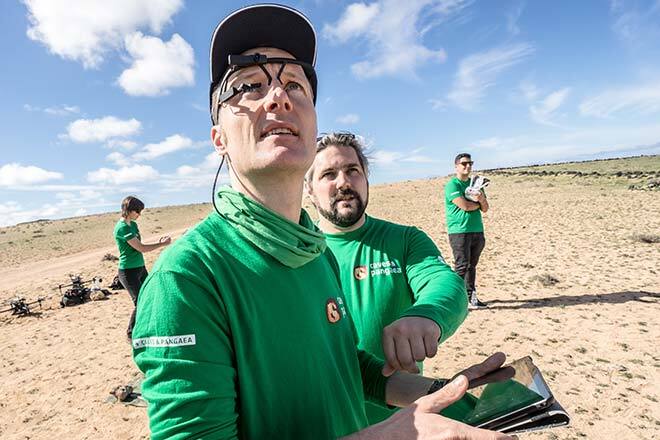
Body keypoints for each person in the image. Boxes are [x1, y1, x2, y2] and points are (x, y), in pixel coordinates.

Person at [132, 5, 515, 439]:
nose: (278, 95)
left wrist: (447, 394)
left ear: (312, 128)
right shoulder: (187, 278)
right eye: (250, 85)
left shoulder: (314, 251)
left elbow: (347, 367)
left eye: (295, 83)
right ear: (218, 138)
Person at [305, 132, 468, 424]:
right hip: (331, 422)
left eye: (352, 171)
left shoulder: (404, 239)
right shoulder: (298, 254)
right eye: (328, 174)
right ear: (309, 188)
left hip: (406, 418)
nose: (343, 182)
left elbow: (444, 283)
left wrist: (427, 314)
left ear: (366, 179)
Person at [114, 196, 171, 340]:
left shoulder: (133, 225)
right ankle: (130, 334)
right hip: (128, 272)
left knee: (150, 296)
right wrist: (162, 244)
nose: (139, 215)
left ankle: (148, 327)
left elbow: (140, 247)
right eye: (137, 211)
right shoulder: (122, 228)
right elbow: (140, 248)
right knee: (140, 301)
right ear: (129, 210)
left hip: (140, 267)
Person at [444, 153, 489, 309]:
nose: (468, 166)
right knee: (462, 266)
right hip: (459, 231)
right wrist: (477, 203)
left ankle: (471, 298)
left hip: (477, 230)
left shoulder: (476, 184)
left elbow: (486, 208)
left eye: (470, 163)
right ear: (456, 166)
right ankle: (453, 300)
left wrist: (481, 199)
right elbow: (465, 206)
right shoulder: (453, 185)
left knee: (472, 266)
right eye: (464, 164)